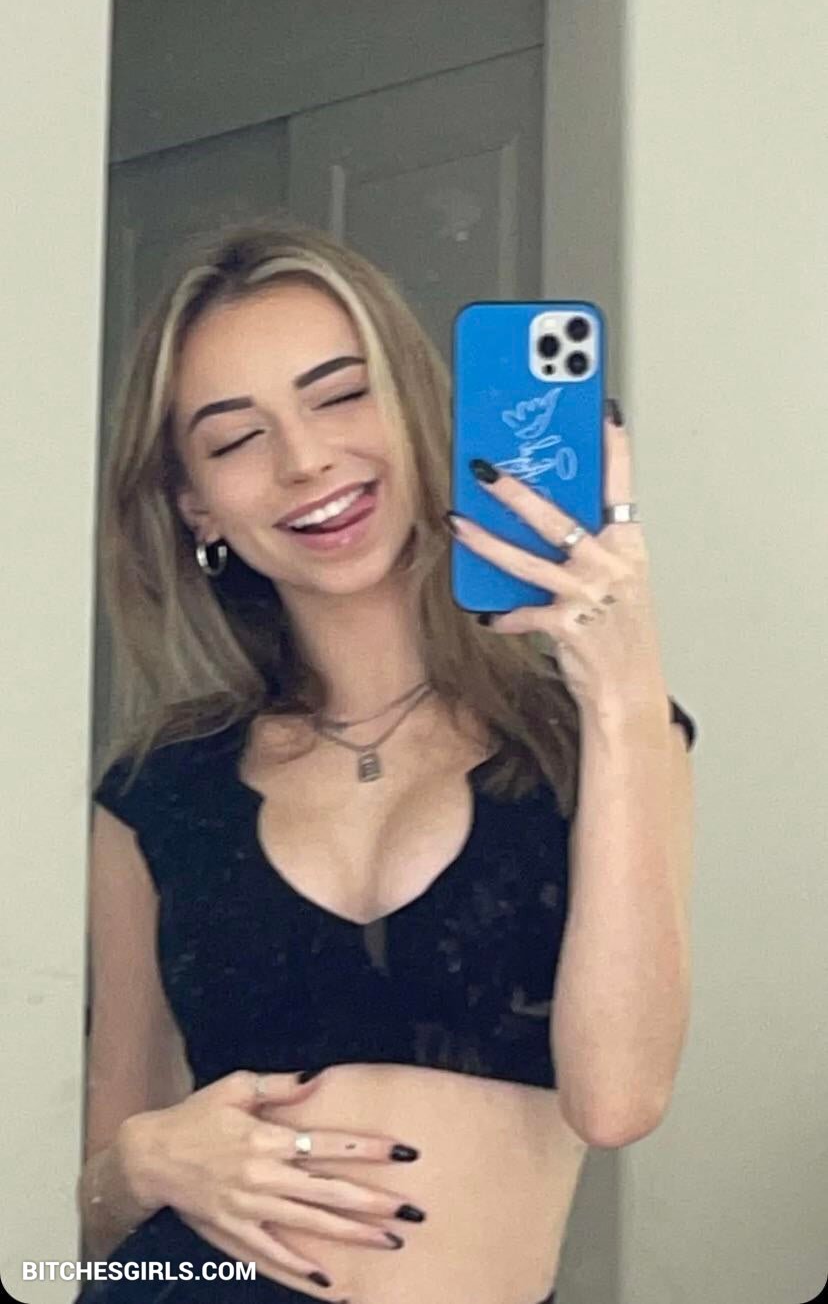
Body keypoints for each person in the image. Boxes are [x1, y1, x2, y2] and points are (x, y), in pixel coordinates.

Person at [76, 219, 696, 1304]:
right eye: (236, 439)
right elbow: (75, 1235)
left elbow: (619, 1101)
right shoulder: (153, 793)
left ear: (415, 408)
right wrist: (135, 1165)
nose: (305, 459)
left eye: (341, 394)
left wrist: (624, 688)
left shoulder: (602, 735)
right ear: (193, 506)